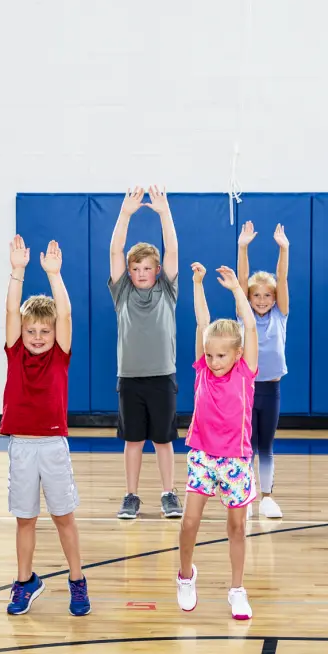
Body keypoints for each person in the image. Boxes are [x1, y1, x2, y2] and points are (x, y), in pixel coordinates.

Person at [0, 236, 91, 616]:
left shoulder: (60, 357)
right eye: (31, 331)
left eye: (44, 332)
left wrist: (54, 275)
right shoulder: (16, 351)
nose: (37, 338)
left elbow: (65, 315)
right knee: (25, 519)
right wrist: (17, 272)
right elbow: (9, 313)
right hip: (21, 445)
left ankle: (77, 580)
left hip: (53, 446)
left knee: (63, 518)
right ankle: (25, 582)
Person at [176, 263, 259, 621]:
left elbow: (251, 325)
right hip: (203, 456)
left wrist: (237, 290)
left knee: (236, 527)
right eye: (209, 355)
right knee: (189, 522)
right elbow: (201, 322)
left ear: (238, 354)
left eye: (221, 355)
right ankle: (185, 575)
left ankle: (237, 590)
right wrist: (197, 283)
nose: (213, 361)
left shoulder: (245, 371)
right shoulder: (203, 369)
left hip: (236, 460)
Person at [108, 185, 184, 519]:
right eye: (135, 268)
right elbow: (114, 250)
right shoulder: (122, 292)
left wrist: (164, 213)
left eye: (147, 268)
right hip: (130, 378)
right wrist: (125, 214)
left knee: (164, 441)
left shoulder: (167, 290)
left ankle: (169, 493)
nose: (141, 273)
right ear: (129, 271)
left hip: (162, 377)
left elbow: (173, 250)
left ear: (156, 272)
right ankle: (131, 495)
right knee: (134, 441)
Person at [236, 220, 290, 518]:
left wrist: (284, 250)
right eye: (256, 295)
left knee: (266, 444)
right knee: (246, 445)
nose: (261, 300)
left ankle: (267, 497)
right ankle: (244, 493)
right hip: (246, 389)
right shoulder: (245, 314)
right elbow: (242, 278)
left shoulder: (280, 315)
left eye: (267, 296)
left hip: (271, 388)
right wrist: (243, 247)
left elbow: (281, 279)